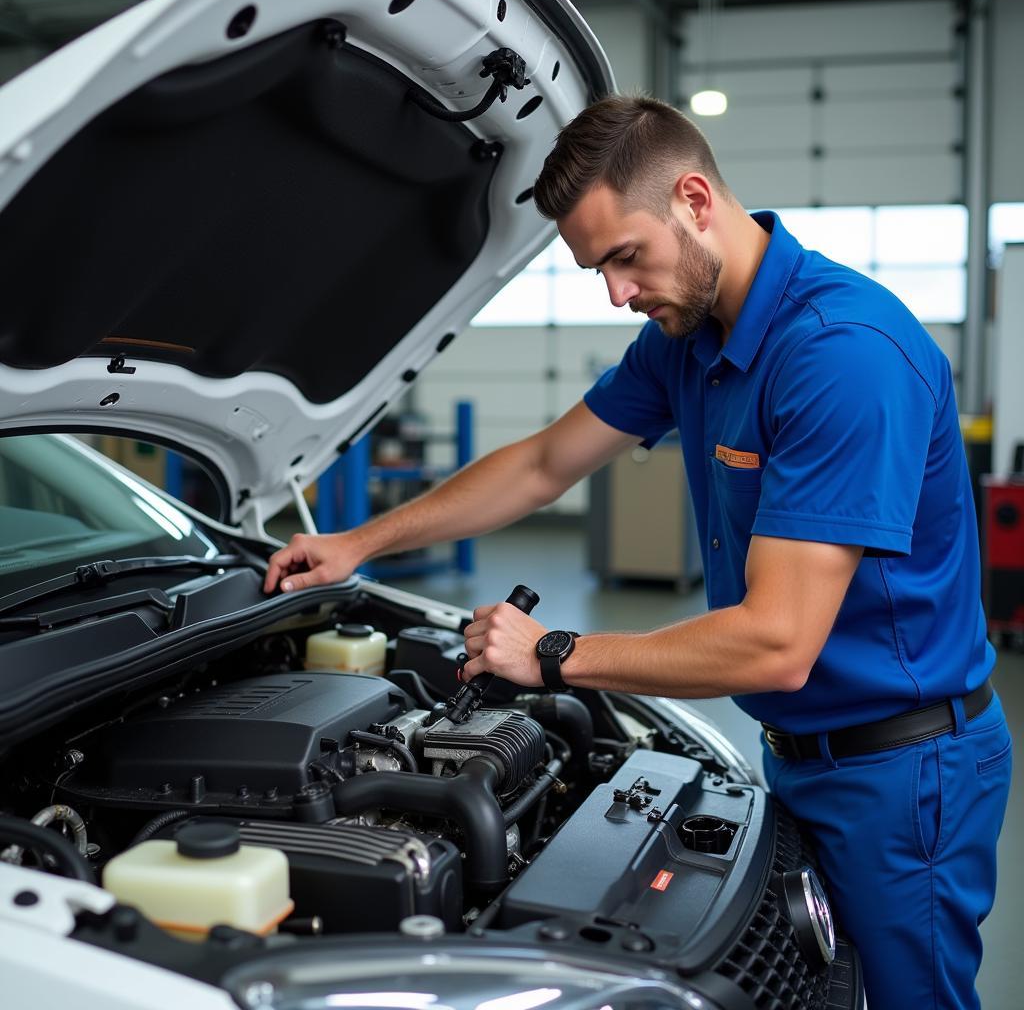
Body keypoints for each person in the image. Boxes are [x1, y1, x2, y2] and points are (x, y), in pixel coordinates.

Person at [264, 95, 1011, 1008]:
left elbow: (778, 642)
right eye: (596, 270)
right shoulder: (687, 339)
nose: (618, 293)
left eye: (626, 257)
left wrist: (555, 657)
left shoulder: (841, 355)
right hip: (807, 751)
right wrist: (357, 542)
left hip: (903, 773)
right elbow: (542, 464)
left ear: (694, 199)